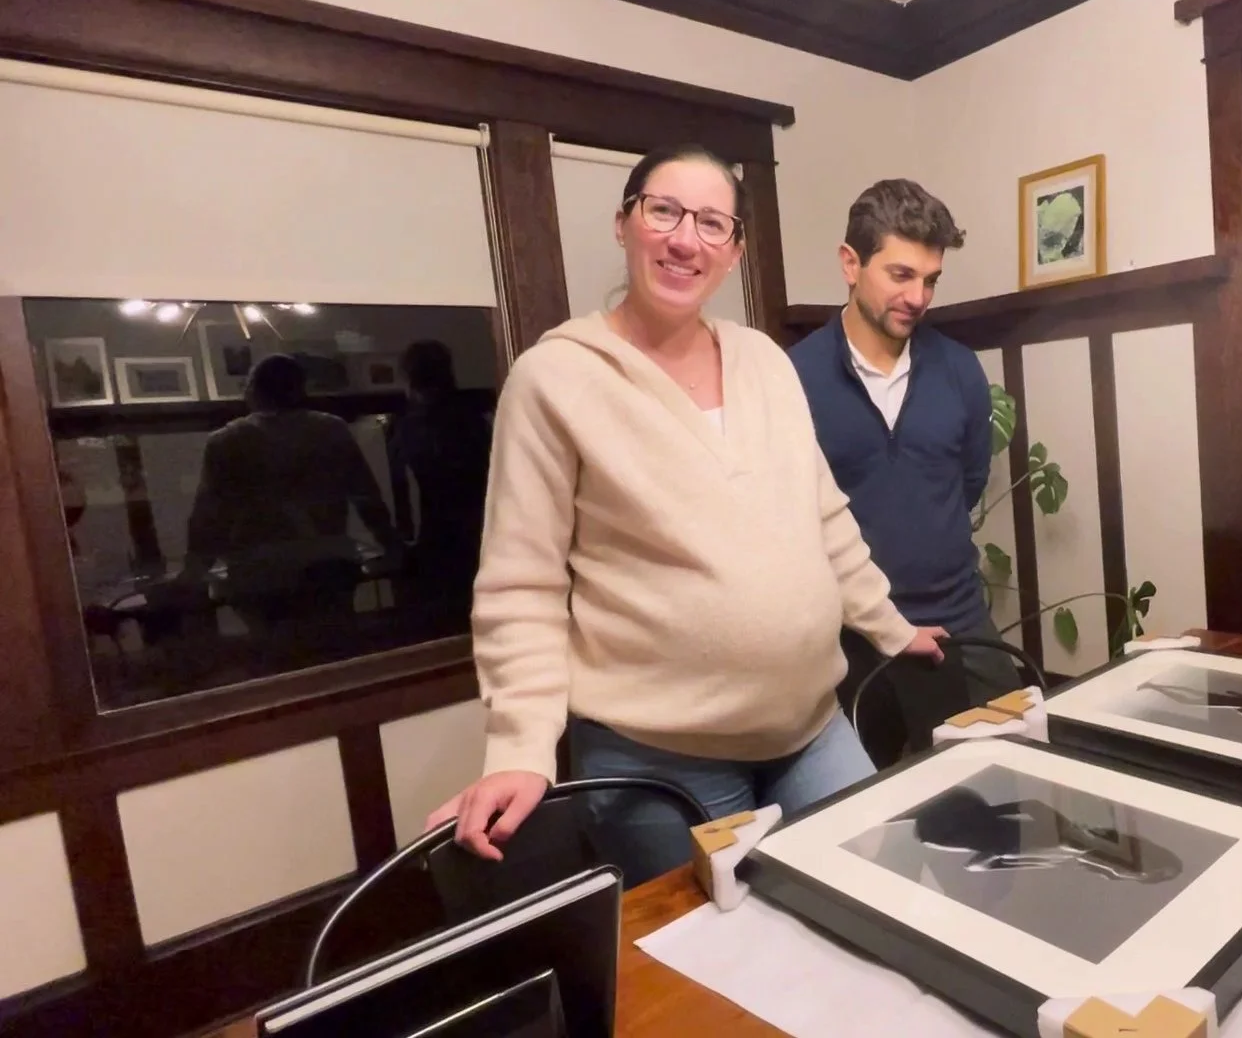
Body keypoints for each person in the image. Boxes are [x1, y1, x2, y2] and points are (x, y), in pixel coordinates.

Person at [428, 145, 946, 883]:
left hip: (811, 728)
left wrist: (892, 628)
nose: (684, 239)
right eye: (663, 211)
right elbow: (522, 584)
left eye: (711, 223)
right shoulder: (555, 378)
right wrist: (520, 747)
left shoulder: (765, 361)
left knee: (881, 890)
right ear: (624, 224)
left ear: (733, 253)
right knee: (717, 972)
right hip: (660, 762)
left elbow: (826, 519)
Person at [789, 180, 1019, 764]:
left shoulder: (960, 370)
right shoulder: (792, 377)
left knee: (1005, 789)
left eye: (931, 279)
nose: (918, 296)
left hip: (959, 619)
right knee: (872, 818)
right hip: (850, 637)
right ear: (850, 263)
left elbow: (968, 481)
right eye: (900, 275)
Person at [181, 354, 401, 641]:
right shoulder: (332, 429)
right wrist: (392, 545)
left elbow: (208, 516)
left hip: (259, 572)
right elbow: (366, 497)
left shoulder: (226, 441)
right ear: (300, 389)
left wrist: (194, 570)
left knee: (275, 648)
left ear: (253, 390)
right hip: (328, 562)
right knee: (336, 645)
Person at [386, 338, 492, 627]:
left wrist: (399, 538)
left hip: (433, 529)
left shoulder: (406, 426)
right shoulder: (473, 419)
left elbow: (400, 487)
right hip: (475, 525)